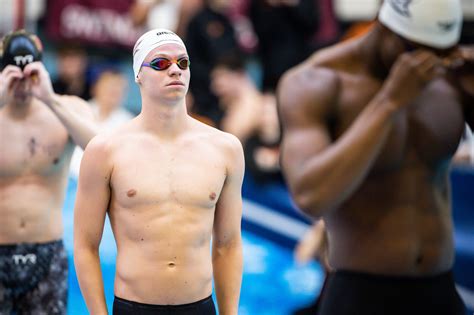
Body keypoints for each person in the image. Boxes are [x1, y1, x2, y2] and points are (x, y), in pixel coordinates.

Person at [277, 0, 473, 314]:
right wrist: (389, 101)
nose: (429, 65)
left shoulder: (447, 76)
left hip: (441, 289)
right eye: (417, 51)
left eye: (440, 53)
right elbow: (309, 195)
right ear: (384, 26)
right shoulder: (316, 82)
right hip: (362, 294)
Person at [74, 28, 244, 315]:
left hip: (200, 307)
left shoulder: (225, 149)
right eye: (161, 63)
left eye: (183, 63)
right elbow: (85, 245)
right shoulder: (105, 150)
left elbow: (228, 245)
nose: (175, 70)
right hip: (133, 307)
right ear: (138, 75)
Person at [0, 30, 96, 314]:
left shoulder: (68, 109)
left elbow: (102, 149)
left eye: (29, 73)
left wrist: (51, 100)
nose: (21, 83)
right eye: (12, 73)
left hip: (47, 252)